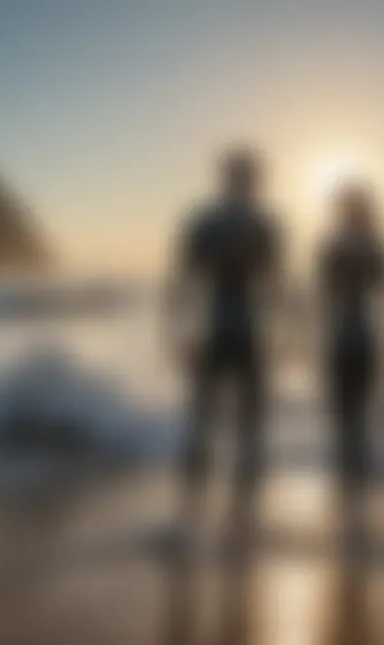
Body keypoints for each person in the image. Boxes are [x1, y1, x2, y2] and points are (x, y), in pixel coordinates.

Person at [167, 147, 282, 536]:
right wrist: (180, 333)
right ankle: (197, 515)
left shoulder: (257, 225)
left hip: (242, 333)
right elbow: (183, 282)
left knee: (238, 423)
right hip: (218, 332)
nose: (249, 186)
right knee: (211, 421)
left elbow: (276, 287)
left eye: (250, 178)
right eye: (246, 178)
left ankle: (230, 517)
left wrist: (284, 337)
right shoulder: (211, 224)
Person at [317, 180, 384, 530]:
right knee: (352, 416)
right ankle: (354, 493)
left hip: (355, 339)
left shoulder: (358, 249)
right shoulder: (359, 248)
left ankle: (353, 491)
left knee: (353, 415)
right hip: (354, 338)